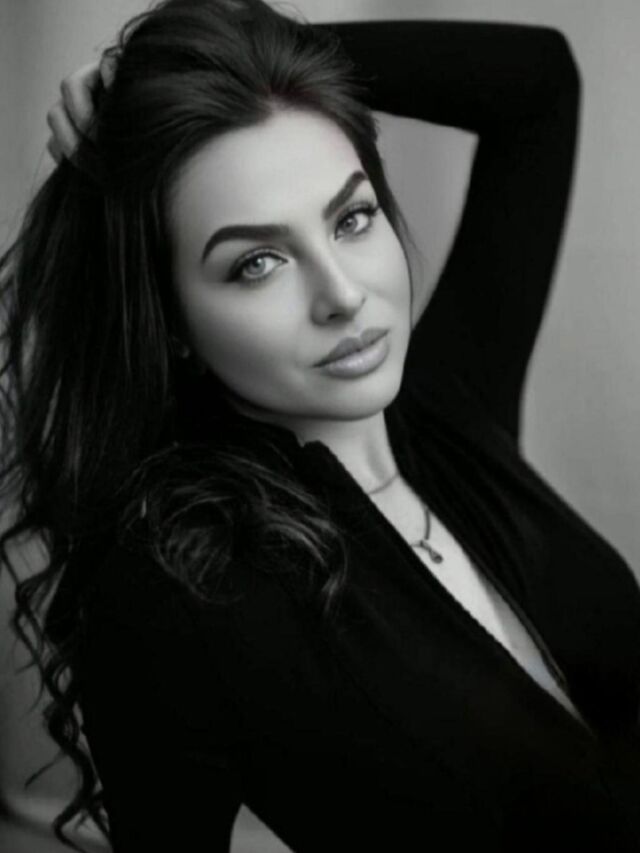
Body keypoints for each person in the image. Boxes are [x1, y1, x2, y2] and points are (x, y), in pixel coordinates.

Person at [3, 0, 640, 849]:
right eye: (257, 262)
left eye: (352, 218)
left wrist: (269, 57)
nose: (343, 293)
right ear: (172, 322)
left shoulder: (450, 402)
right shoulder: (182, 589)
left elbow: (539, 85)